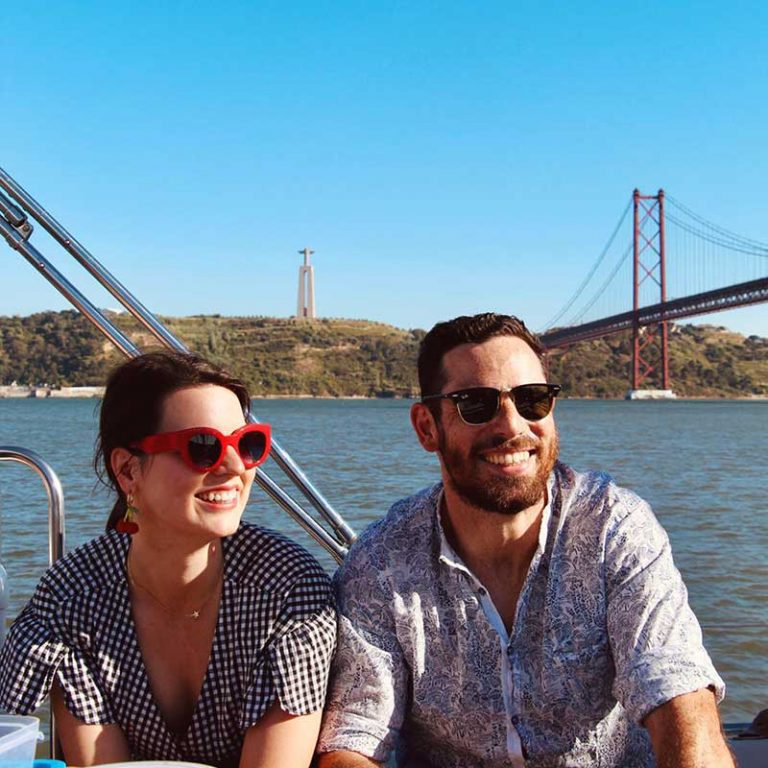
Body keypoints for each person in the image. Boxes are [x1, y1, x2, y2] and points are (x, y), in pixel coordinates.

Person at [317, 313, 734, 768]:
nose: (513, 426)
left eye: (532, 399)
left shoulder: (613, 528)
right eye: (476, 404)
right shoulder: (383, 560)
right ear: (426, 427)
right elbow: (355, 738)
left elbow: (676, 690)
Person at [0, 350, 336, 768]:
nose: (236, 467)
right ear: (128, 471)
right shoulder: (75, 599)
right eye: (203, 447)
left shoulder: (287, 591)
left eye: (247, 443)